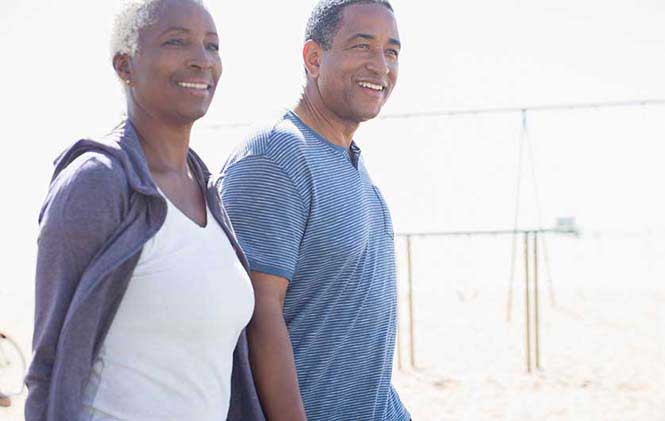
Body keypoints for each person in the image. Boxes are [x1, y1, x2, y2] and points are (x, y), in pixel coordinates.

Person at [24, 1, 264, 420]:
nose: (201, 60)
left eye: (212, 46)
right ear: (124, 66)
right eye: (176, 42)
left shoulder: (206, 188)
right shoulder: (97, 182)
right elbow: (48, 364)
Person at [218, 1, 409, 420]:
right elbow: (257, 317)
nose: (381, 65)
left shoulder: (354, 168)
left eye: (391, 52)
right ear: (313, 57)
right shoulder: (277, 156)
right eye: (362, 46)